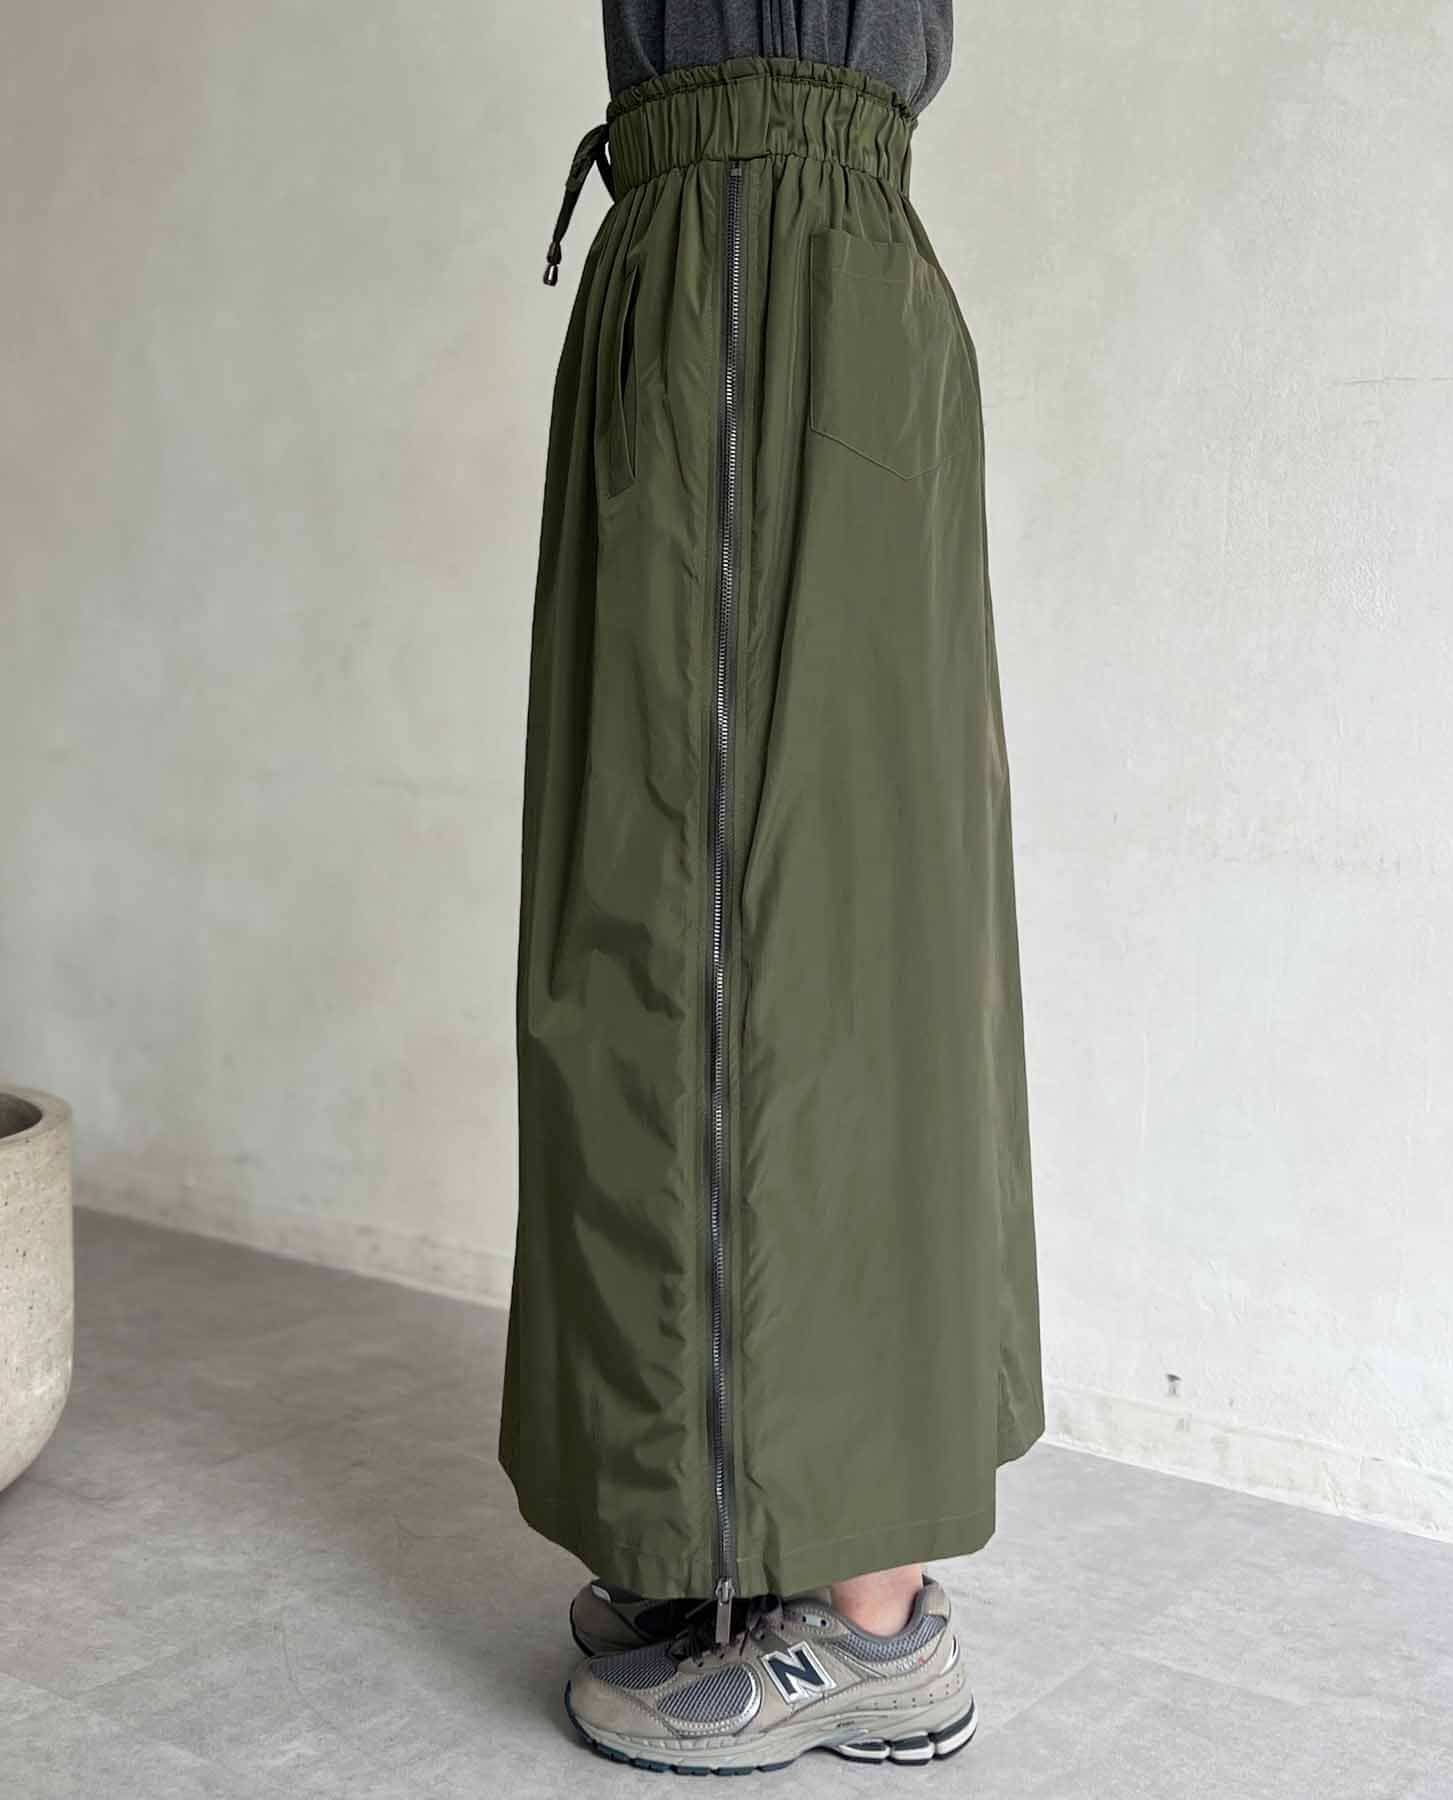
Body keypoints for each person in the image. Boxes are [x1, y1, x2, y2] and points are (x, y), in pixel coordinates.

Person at [499, 2, 1044, 1774]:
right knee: (640, 936)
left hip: (803, 268)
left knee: (841, 937)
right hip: (676, 260)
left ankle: (873, 1614)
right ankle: (706, 1530)